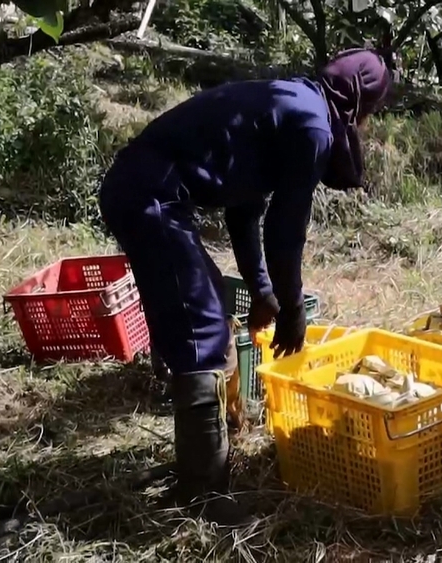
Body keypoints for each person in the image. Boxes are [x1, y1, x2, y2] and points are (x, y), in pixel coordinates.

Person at [97, 48, 394, 520]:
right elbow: (284, 229)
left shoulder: (290, 102)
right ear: (360, 99)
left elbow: (245, 209)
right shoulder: (312, 124)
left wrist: (262, 291)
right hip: (151, 194)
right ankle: (204, 496)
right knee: (202, 329)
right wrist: (292, 308)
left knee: (210, 300)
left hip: (148, 189)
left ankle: (217, 437)